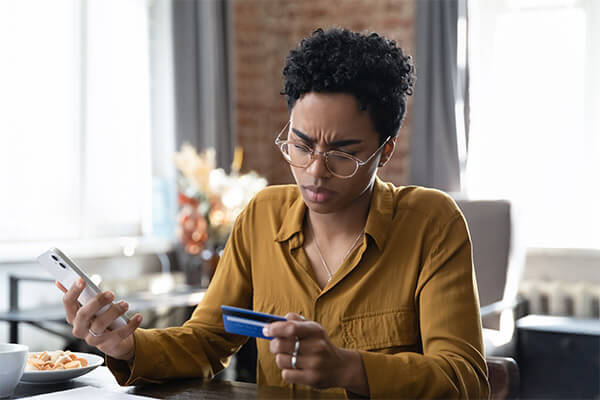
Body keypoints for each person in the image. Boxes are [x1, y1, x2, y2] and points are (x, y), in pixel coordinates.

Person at [58, 28, 489, 398]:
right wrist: (128, 347)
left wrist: (348, 368)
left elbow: (466, 379)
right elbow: (207, 341)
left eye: (343, 154)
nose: (315, 172)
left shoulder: (432, 223)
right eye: (300, 146)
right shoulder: (263, 215)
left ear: (385, 151)